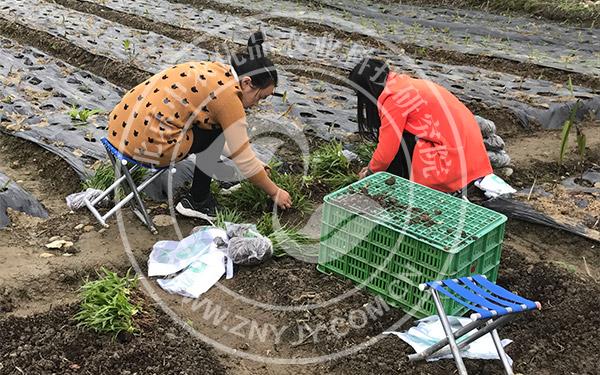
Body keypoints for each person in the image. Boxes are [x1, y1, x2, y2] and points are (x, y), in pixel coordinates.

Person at [107, 32, 292, 220]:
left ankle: (201, 193)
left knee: (211, 129)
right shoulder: (229, 98)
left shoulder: (216, 71)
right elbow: (242, 158)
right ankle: (198, 201)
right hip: (150, 148)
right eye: (260, 97)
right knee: (216, 130)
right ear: (247, 82)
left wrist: (248, 160)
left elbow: (235, 151)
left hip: (118, 131)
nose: (257, 103)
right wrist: (274, 191)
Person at [348, 58, 492, 194]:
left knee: (401, 141)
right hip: (473, 161)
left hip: (452, 166)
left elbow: (387, 151)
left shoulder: (394, 97)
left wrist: (370, 174)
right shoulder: (403, 84)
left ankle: (401, 185)